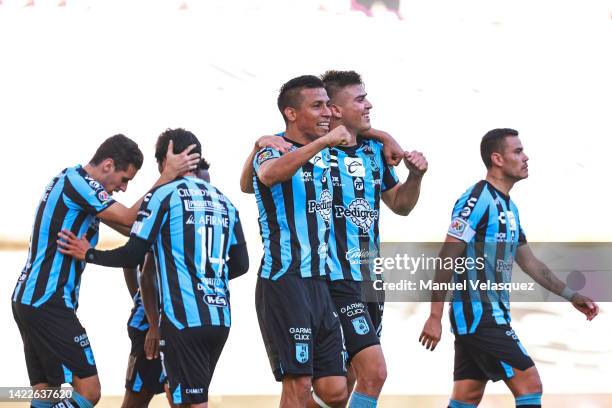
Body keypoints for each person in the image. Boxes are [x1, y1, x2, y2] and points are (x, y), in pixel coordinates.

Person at [58, 128, 248, 408]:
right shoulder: (225, 202)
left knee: (164, 401)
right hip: (219, 318)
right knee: (182, 397)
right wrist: (203, 276)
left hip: (181, 321)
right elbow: (241, 264)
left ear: (163, 161)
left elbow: (133, 253)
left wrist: (89, 254)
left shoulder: (164, 196)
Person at [11, 134, 198, 408]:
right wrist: (166, 177)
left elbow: (130, 228)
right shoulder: (79, 183)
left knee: (48, 393)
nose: (123, 189)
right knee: (89, 391)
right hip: (47, 301)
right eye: (125, 179)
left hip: (31, 300)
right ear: (108, 165)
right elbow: (128, 216)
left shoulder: (75, 187)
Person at [418, 128, 599, 408]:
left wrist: (571, 295)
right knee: (530, 383)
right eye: (518, 151)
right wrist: (434, 315)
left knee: (467, 395)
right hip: (479, 314)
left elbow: (531, 263)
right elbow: (447, 256)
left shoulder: (509, 209)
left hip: (489, 314)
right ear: (497, 159)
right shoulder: (477, 199)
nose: (526, 157)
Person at [320, 70, 428, 408]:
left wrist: (415, 177)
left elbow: (400, 204)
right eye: (360, 99)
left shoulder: (372, 151)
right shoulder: (317, 151)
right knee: (374, 372)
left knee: (346, 383)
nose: (369, 104)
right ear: (335, 109)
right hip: (335, 276)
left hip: (371, 278)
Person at [252, 75, 355, 408]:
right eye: (318, 106)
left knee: (336, 389)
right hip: (285, 281)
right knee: (298, 385)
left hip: (319, 282)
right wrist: (321, 144)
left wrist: (386, 137)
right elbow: (268, 175)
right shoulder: (275, 148)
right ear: (291, 114)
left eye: (328, 104)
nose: (328, 112)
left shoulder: (322, 145)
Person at [121, 162, 211, 408]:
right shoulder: (163, 213)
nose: (203, 190)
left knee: (183, 399)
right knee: (136, 400)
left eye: (206, 185)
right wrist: (147, 314)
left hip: (185, 326)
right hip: (153, 327)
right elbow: (132, 262)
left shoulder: (208, 225)